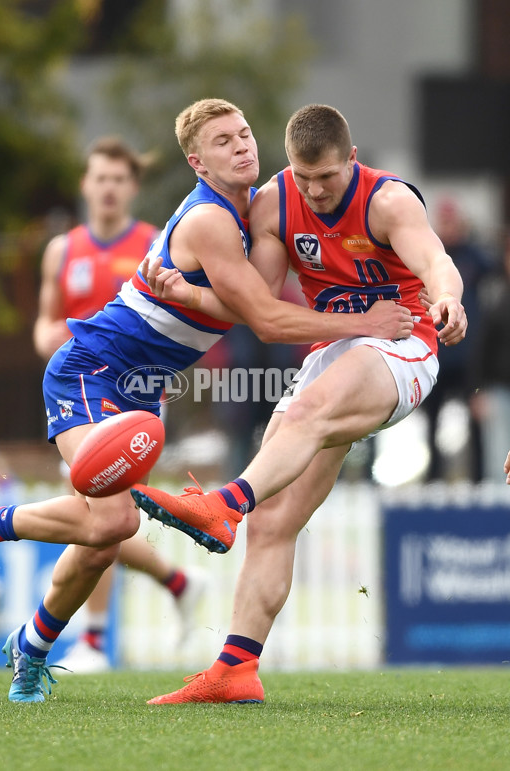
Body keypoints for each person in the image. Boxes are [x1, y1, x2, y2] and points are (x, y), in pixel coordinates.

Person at [0, 98, 412, 704]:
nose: (242, 146)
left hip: (143, 390)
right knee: (115, 520)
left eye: (244, 134)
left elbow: (242, 307)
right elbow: (262, 319)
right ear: (196, 162)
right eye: (224, 141)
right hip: (93, 370)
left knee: (101, 540)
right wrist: (364, 321)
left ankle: (31, 647)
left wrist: (192, 294)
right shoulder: (210, 220)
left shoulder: (254, 210)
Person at [131, 103, 467, 704]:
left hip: (402, 344)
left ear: (353, 159)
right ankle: (235, 668)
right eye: (303, 177)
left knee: (306, 419)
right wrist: (185, 291)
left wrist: (447, 300)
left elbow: (436, 261)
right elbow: (255, 307)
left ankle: (222, 504)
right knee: (273, 520)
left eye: (328, 177)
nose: (314, 191)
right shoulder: (273, 202)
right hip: (333, 352)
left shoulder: (387, 201)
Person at [33, 135, 208, 673]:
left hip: (135, 395)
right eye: (99, 178)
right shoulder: (62, 250)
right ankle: (176, 582)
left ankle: (92, 640)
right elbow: (44, 321)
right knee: (105, 514)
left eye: (118, 179)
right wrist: (56, 339)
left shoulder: (157, 242)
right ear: (85, 184)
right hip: (79, 383)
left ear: (132, 187)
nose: (108, 188)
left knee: (99, 505)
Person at [420, 196, 492, 481]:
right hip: (437, 353)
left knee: (475, 419)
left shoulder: (474, 255)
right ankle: (433, 477)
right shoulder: (432, 257)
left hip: (468, 357)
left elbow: (495, 267)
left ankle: (479, 478)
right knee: (431, 421)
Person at [469, 229, 510, 481]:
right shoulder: (494, 293)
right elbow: (480, 347)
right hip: (499, 391)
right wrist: (477, 390)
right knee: (498, 464)